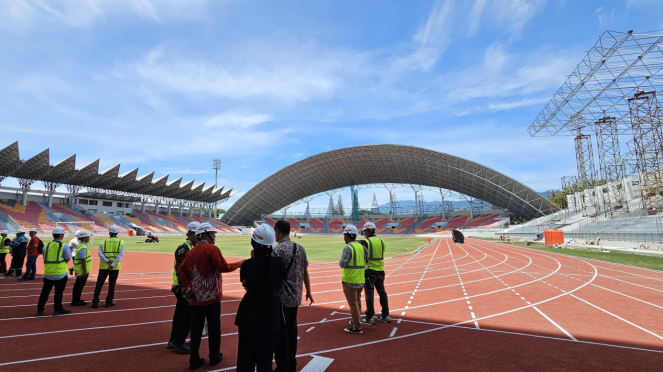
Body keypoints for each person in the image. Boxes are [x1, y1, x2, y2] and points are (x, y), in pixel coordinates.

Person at [177, 222, 242, 371]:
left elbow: (180, 271)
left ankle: (193, 359)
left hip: (195, 298)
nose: (215, 236)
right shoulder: (212, 249)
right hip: (212, 297)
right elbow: (223, 267)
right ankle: (214, 356)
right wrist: (239, 264)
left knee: (196, 329)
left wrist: (188, 285)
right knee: (214, 328)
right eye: (213, 233)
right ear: (205, 234)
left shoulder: (191, 252)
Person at [235, 223, 285, 372]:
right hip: (271, 316)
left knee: (245, 358)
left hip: (249, 315)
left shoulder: (247, 266)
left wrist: (253, 260)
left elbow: (247, 286)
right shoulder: (279, 264)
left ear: (254, 243)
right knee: (265, 359)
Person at [272, 220, 313, 372]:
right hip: (296, 297)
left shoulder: (277, 251)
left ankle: (283, 366)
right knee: (292, 331)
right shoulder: (300, 248)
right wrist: (308, 291)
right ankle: (292, 363)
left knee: (281, 334)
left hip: (282, 299)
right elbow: (305, 272)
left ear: (278, 231)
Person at [167, 221, 199, 354]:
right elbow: (181, 270)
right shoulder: (183, 249)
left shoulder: (192, 247)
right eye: (197, 235)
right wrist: (186, 287)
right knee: (185, 315)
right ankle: (178, 341)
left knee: (180, 314)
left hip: (183, 285)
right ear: (191, 234)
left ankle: (174, 339)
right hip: (182, 286)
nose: (199, 237)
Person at [360, 222, 390, 325]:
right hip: (381, 271)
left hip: (369, 271)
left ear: (368, 231)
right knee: (382, 292)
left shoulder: (366, 242)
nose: (364, 233)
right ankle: (385, 315)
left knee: (369, 294)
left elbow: (362, 256)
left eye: (364, 231)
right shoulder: (382, 242)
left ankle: (369, 317)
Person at [339, 224, 367, 334]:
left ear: (348, 235)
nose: (344, 237)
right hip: (360, 278)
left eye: (345, 235)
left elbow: (342, 264)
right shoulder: (362, 247)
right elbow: (366, 257)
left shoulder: (348, 248)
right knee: (358, 302)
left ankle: (357, 326)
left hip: (350, 279)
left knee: (353, 304)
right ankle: (357, 320)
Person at [37, 226, 71, 316]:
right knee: (58, 292)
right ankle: (57, 309)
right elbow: (68, 258)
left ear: (53, 235)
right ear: (62, 235)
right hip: (60, 273)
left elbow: (45, 258)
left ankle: (40, 309)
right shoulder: (64, 246)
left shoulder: (46, 246)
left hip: (48, 273)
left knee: (45, 292)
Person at [92, 225, 125, 309]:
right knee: (112, 285)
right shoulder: (121, 242)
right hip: (115, 267)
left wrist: (107, 261)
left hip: (103, 266)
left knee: (99, 284)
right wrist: (112, 264)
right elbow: (120, 256)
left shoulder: (103, 241)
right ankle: (109, 302)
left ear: (109, 233)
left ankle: (95, 302)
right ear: (117, 233)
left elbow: (100, 253)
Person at [71, 230, 92, 306]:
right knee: (79, 286)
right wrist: (85, 271)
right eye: (88, 237)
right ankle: (76, 301)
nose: (89, 238)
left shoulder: (81, 246)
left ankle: (76, 299)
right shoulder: (83, 247)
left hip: (80, 269)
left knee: (79, 286)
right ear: (84, 238)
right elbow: (82, 260)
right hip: (81, 270)